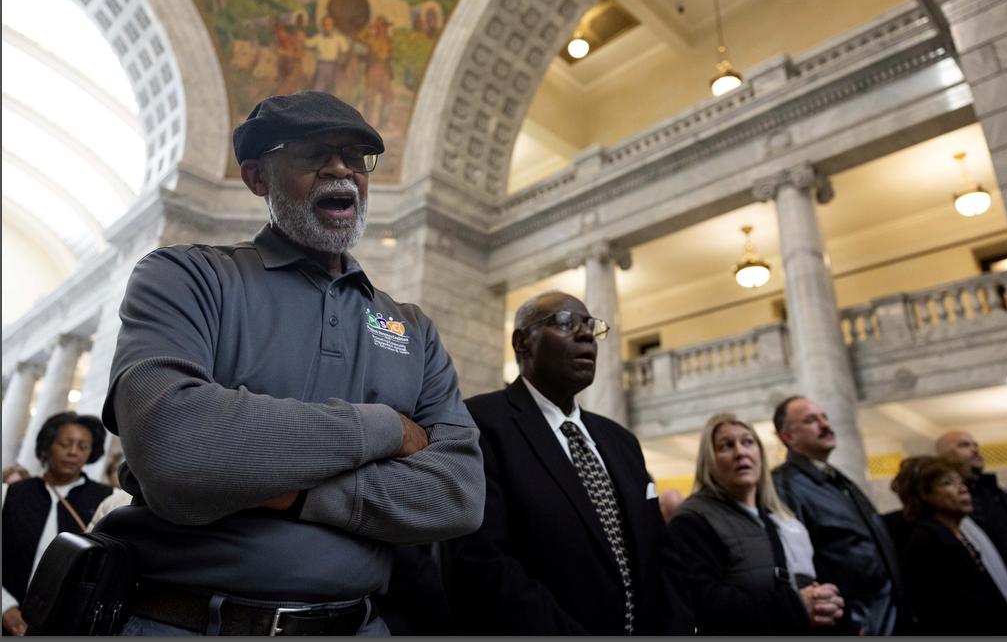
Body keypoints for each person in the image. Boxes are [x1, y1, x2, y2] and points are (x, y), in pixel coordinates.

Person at [96, 91, 485, 635]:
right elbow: (176, 447)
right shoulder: (186, 278)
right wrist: (387, 428)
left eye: (355, 156)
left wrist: (289, 491)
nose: (341, 170)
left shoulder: (412, 328)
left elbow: (459, 494)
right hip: (185, 622)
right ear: (258, 177)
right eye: (314, 153)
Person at [443, 291, 695, 635]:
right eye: (565, 323)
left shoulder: (622, 441)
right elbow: (484, 565)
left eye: (591, 325)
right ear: (522, 343)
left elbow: (662, 557)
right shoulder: (480, 423)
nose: (586, 334)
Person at [669, 413, 844, 634]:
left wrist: (827, 603)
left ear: (760, 453)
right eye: (726, 446)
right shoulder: (693, 519)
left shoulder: (780, 516)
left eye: (748, 442)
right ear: (709, 459)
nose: (740, 452)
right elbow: (704, 602)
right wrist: (796, 606)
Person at [772, 396, 909, 635]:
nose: (825, 424)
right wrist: (848, 622)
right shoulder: (786, 485)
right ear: (788, 437)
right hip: (857, 625)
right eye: (811, 420)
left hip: (890, 615)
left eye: (824, 417)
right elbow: (798, 564)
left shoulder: (836, 478)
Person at [2, 412, 111, 636]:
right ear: (47, 446)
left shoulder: (105, 500)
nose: (73, 452)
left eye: (83, 447)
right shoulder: (12, 494)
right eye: (65, 444)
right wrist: (5, 607)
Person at [891, 455, 1007, 635]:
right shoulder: (927, 540)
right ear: (924, 494)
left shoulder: (960, 534)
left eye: (961, 482)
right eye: (948, 483)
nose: (962, 489)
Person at [935, 429, 1007, 601]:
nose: (975, 449)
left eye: (975, 445)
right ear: (943, 457)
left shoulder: (995, 493)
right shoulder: (947, 503)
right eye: (964, 445)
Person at [305, 16, 352, 94]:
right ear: (323, 26)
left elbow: (346, 49)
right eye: (325, 24)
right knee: (318, 88)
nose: (327, 27)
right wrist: (301, 38)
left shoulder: (338, 38)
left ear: (333, 26)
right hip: (321, 65)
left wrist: (343, 62)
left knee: (333, 89)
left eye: (329, 25)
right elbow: (308, 43)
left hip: (334, 66)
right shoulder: (318, 37)